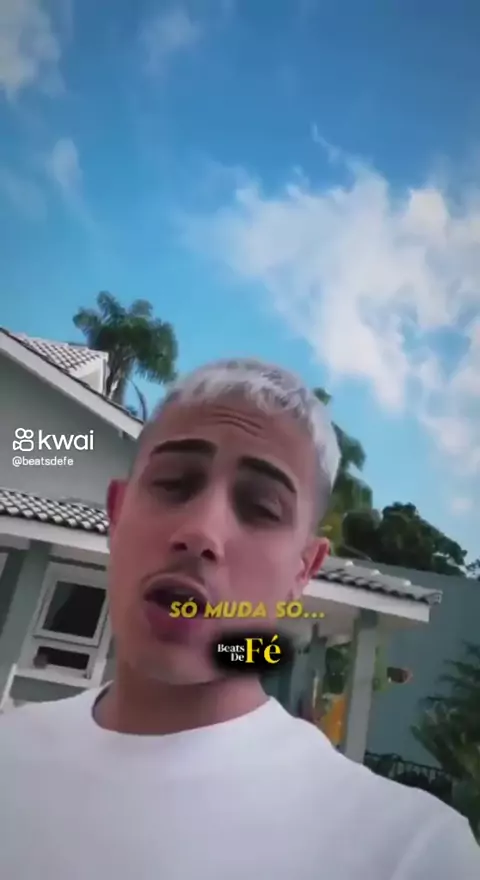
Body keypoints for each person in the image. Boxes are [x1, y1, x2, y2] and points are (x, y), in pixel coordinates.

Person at [0, 358, 478, 879]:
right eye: (174, 482)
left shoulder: (411, 853)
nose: (201, 532)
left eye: (262, 508)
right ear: (116, 514)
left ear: (304, 569)